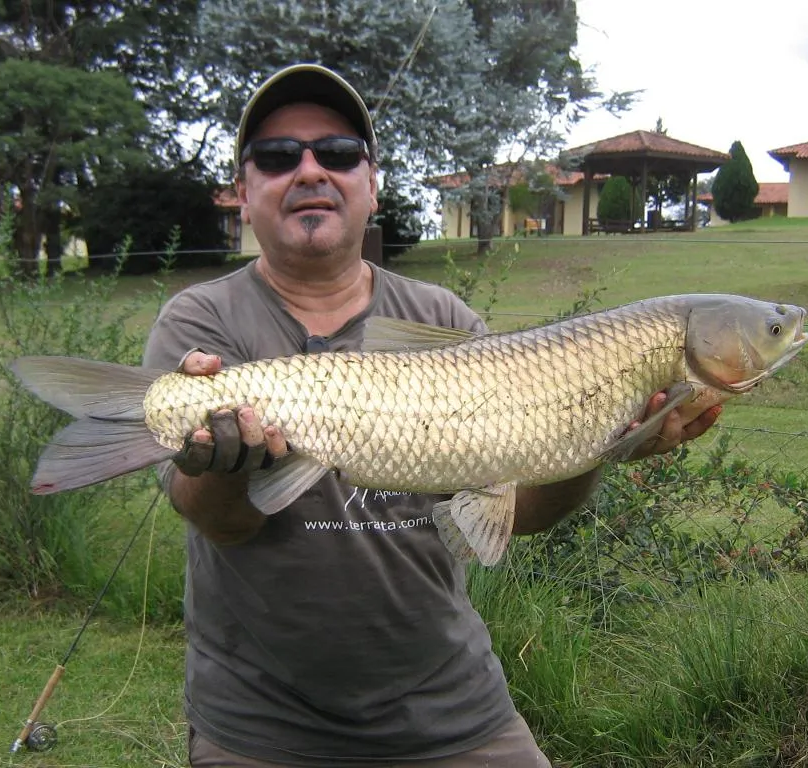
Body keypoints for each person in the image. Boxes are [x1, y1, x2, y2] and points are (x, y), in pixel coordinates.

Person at [143, 63, 721, 768]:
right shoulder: (201, 320)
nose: (309, 170)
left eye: (338, 153)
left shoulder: (441, 318)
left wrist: (604, 443)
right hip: (262, 723)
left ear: (372, 182)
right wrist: (227, 461)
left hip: (451, 706)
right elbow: (219, 520)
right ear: (243, 190)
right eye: (276, 156)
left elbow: (520, 507)